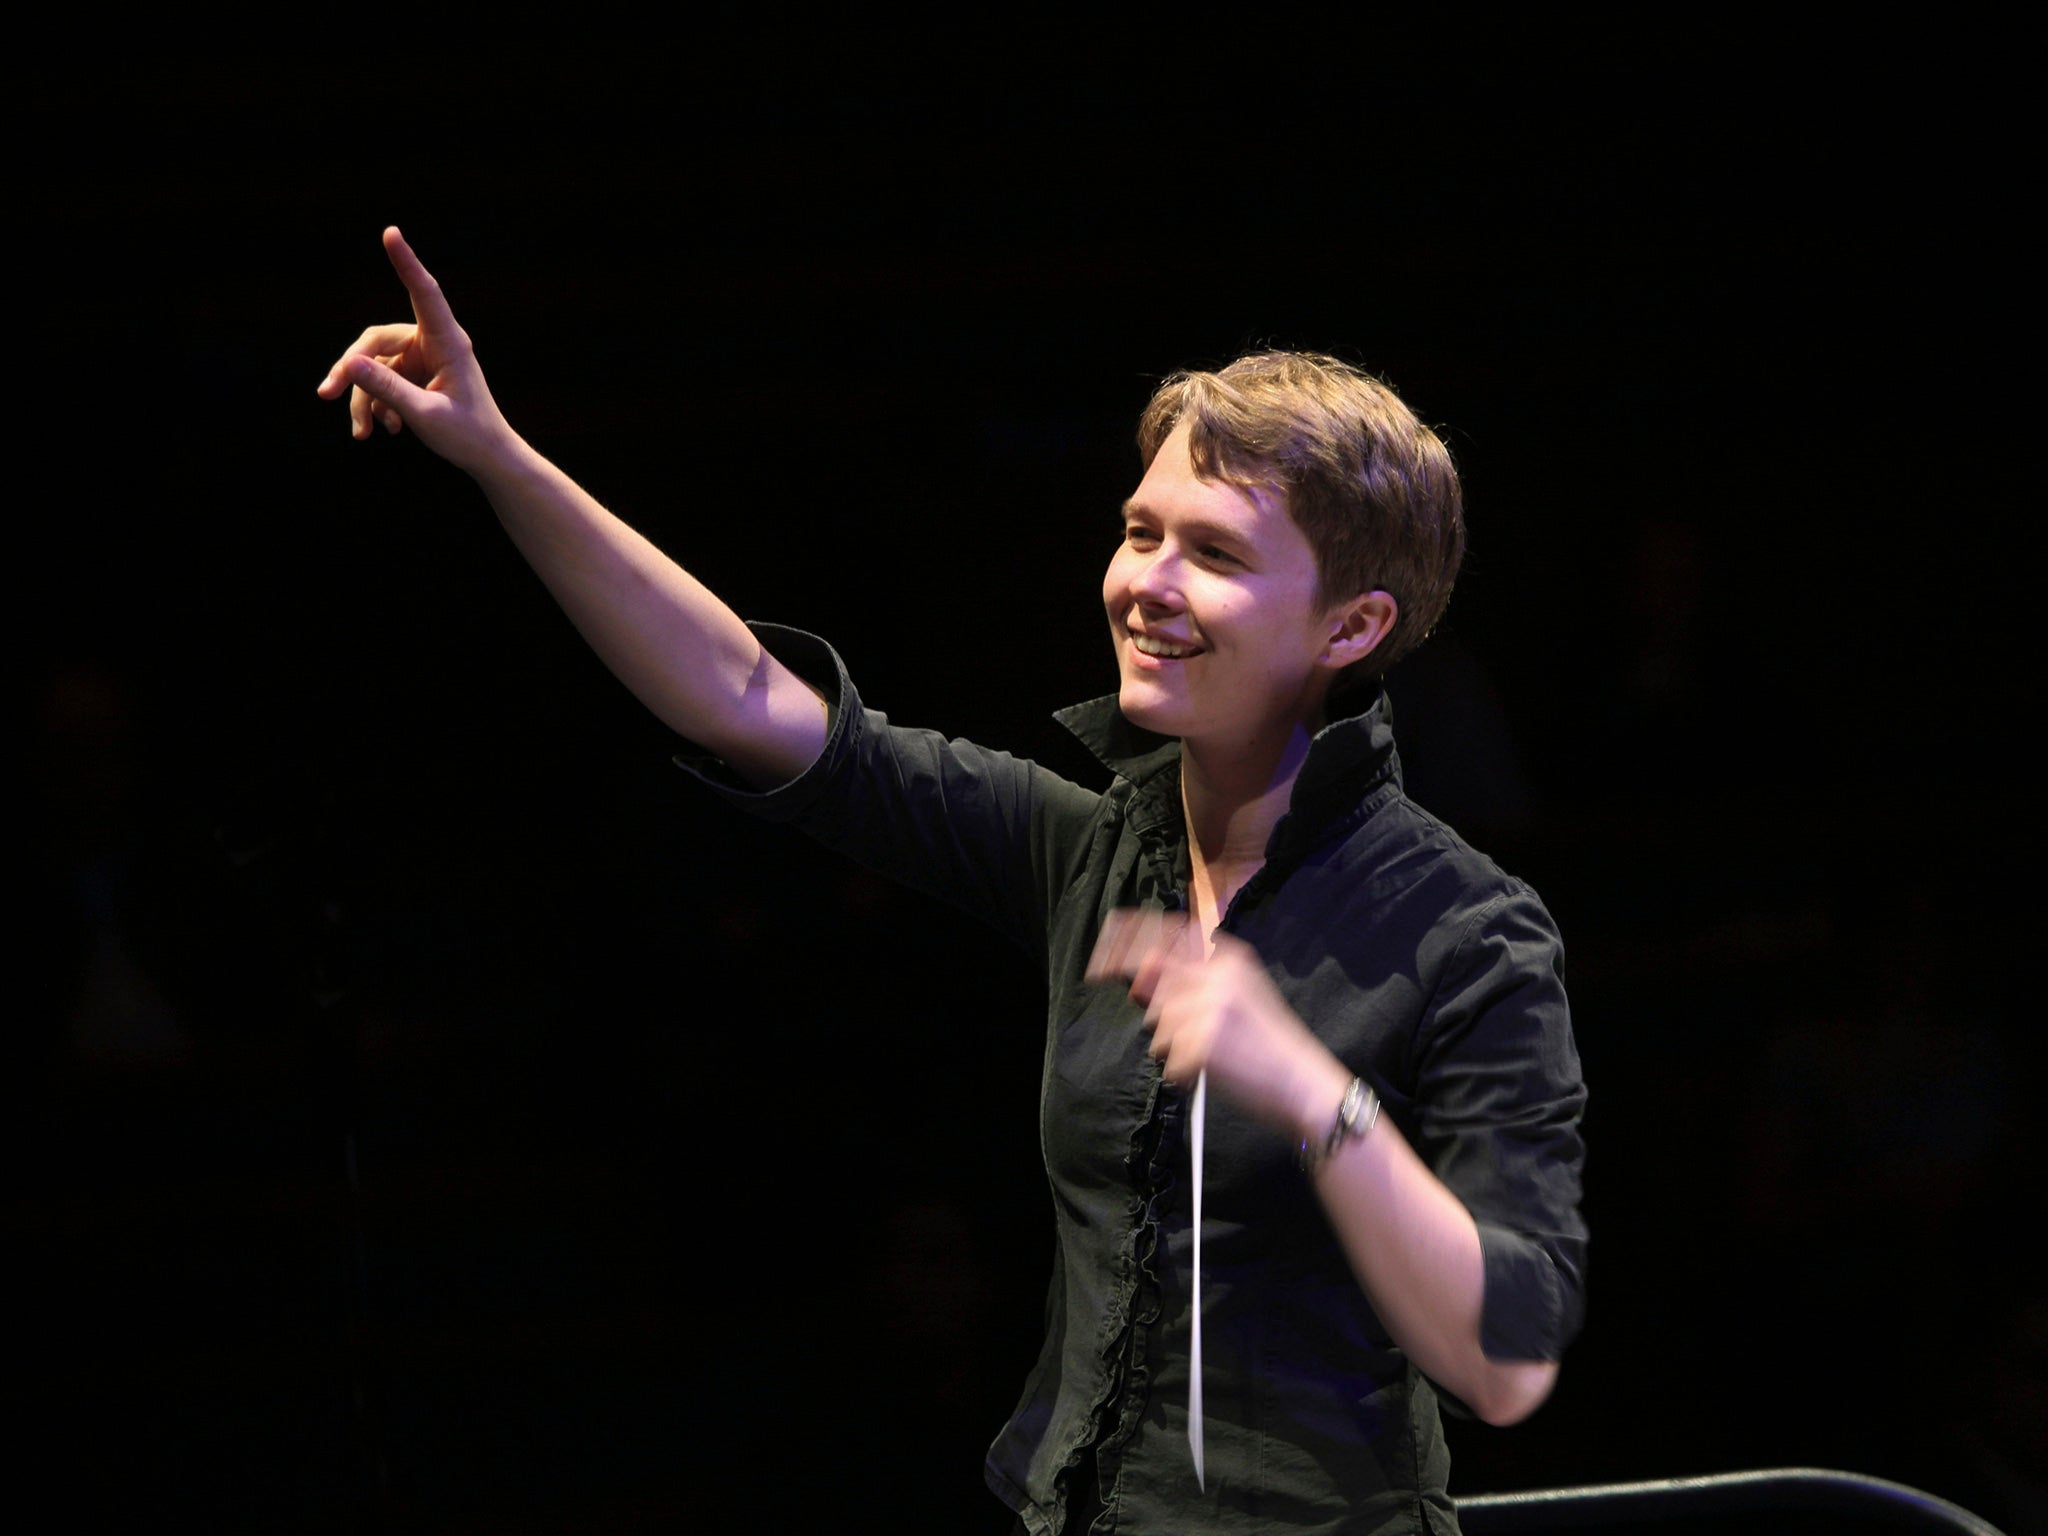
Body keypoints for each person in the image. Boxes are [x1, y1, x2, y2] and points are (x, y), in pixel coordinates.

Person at [319, 227, 1588, 1535]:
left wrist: (1309, 1088)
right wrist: (496, 452)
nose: (1144, 583)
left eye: (1211, 552)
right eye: (1138, 531)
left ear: (1353, 626)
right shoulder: (1093, 852)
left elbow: (1503, 1364)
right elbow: (749, 698)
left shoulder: (1464, 929)